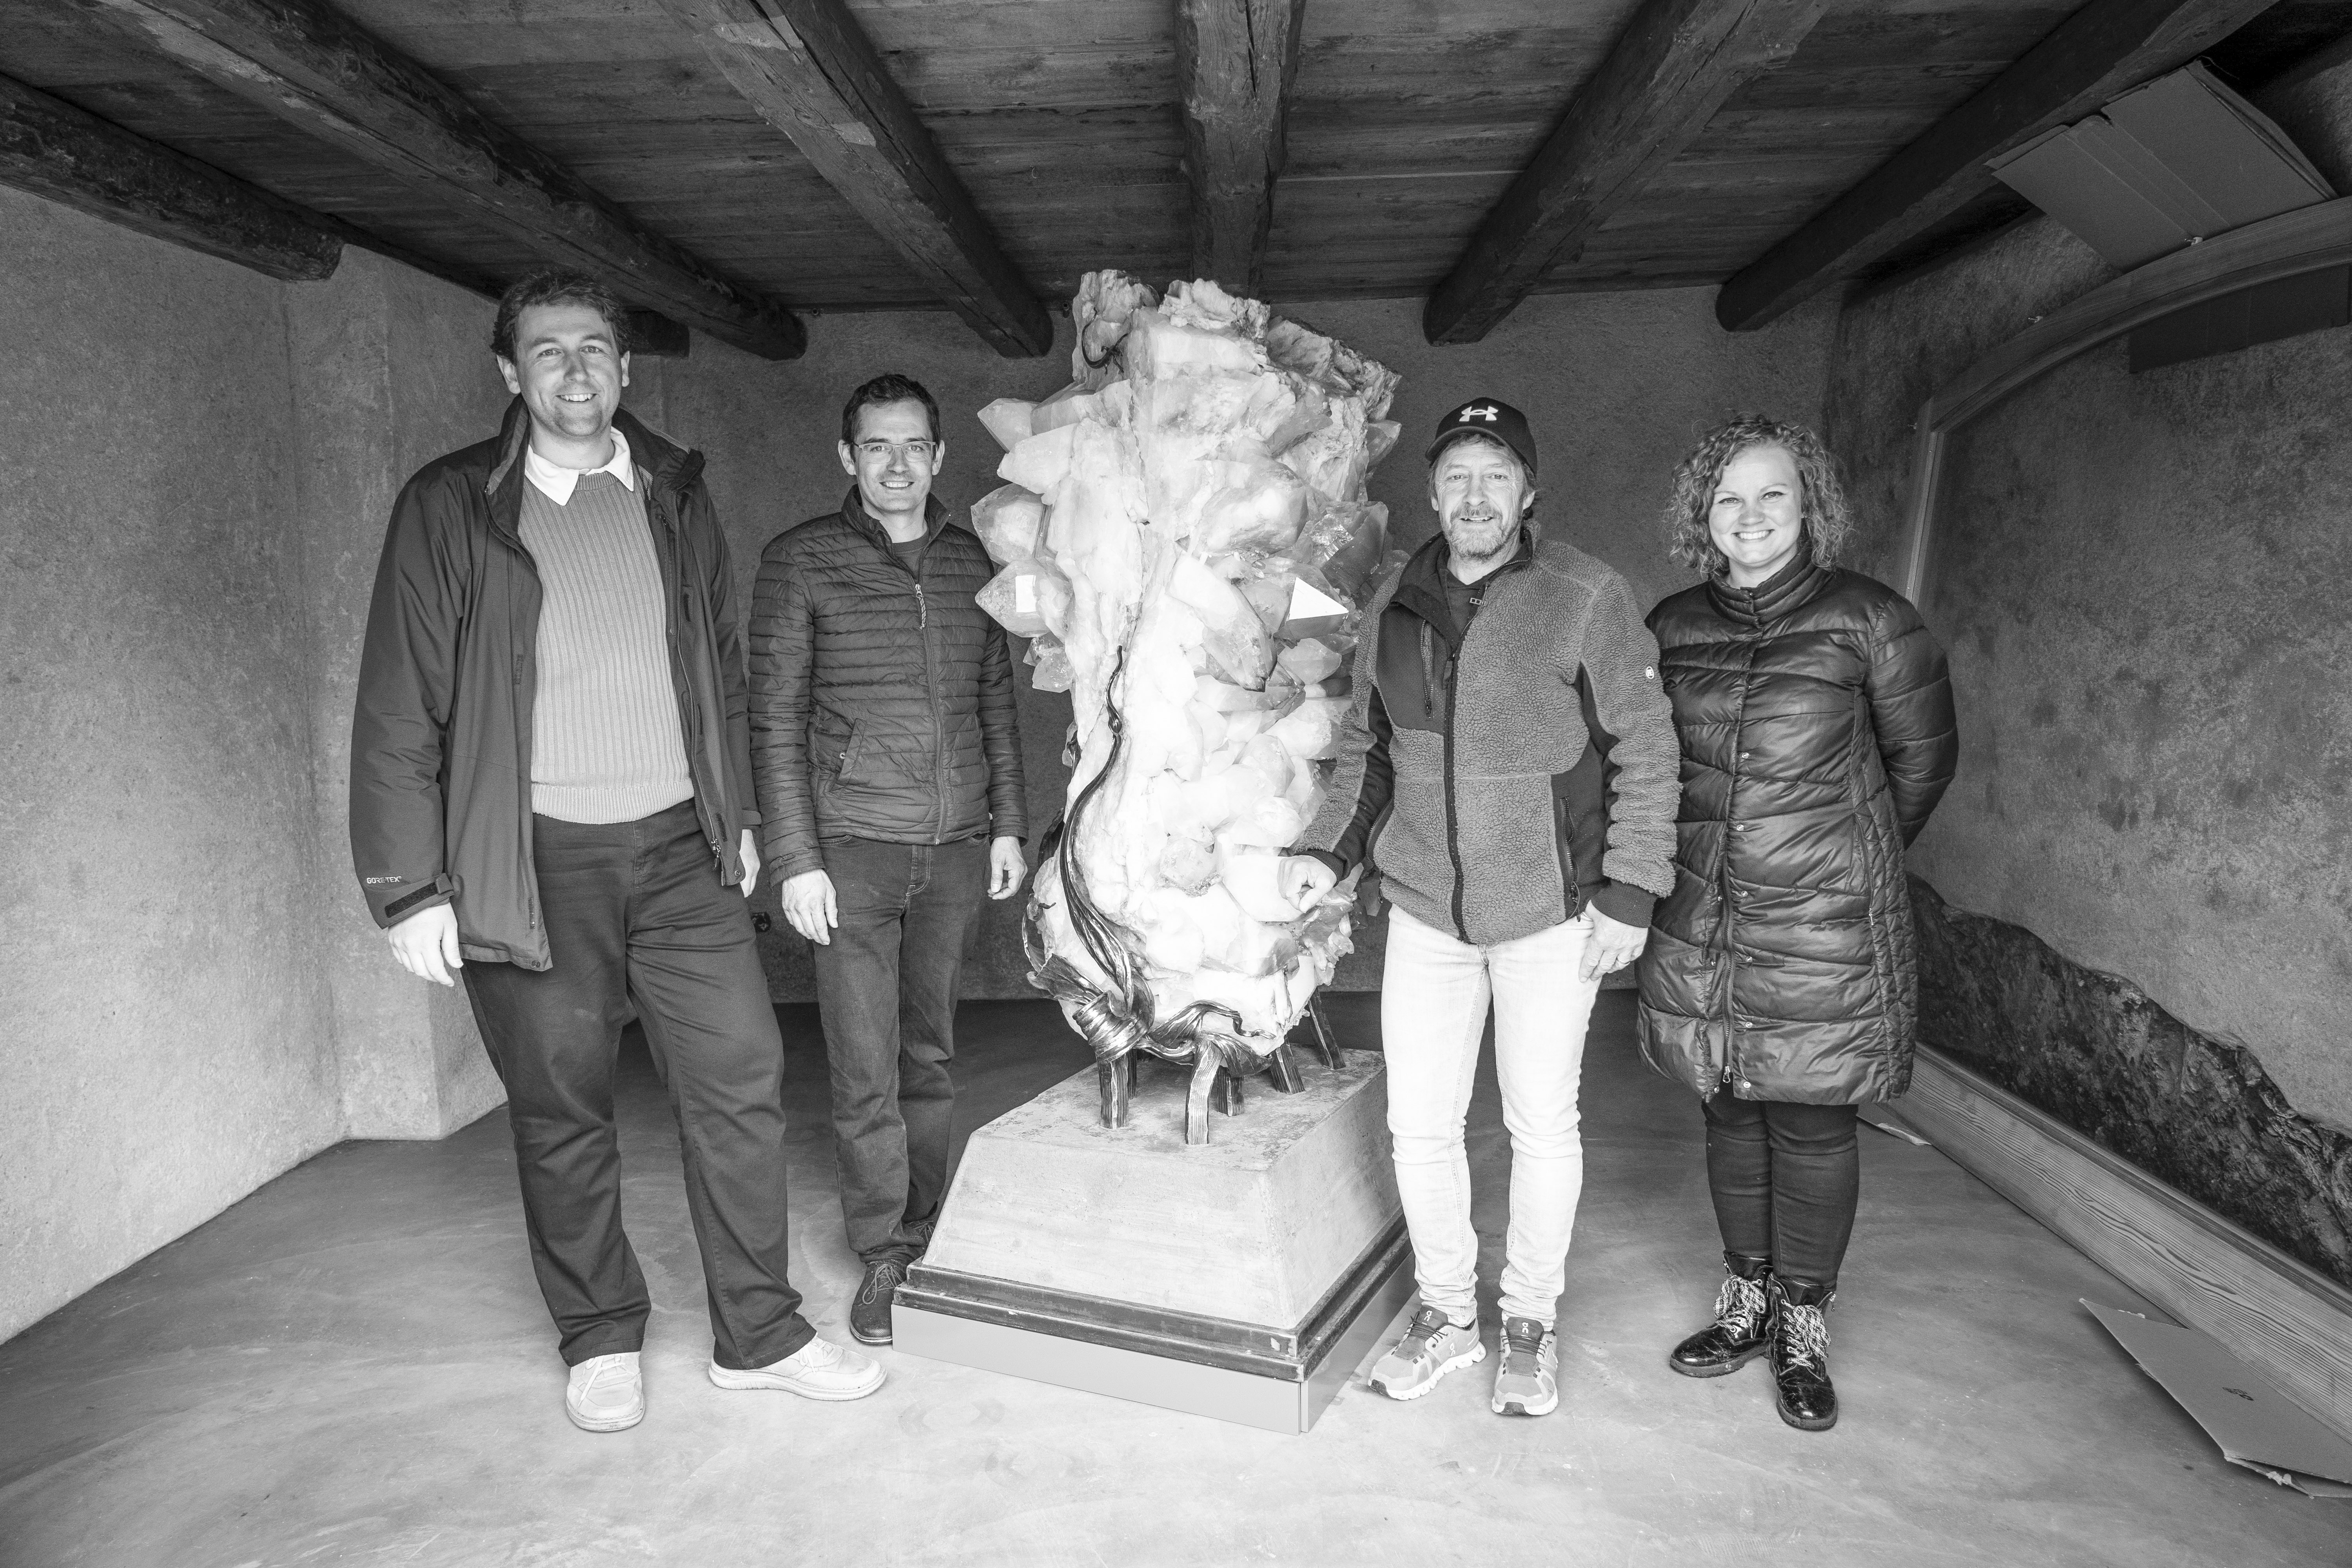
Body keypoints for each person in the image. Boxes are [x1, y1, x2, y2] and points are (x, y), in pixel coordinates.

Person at [350, 270, 880, 1435]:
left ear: (626, 367)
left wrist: (738, 813)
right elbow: (399, 703)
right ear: (511, 372)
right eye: (548, 351)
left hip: (683, 849)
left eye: (595, 348)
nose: (576, 371)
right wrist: (407, 887)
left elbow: (719, 665)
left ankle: (760, 1333)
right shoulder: (452, 504)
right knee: (562, 1104)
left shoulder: (674, 491)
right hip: (530, 861)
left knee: (740, 1078)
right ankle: (598, 1333)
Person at [1281, 397, 1680, 1418]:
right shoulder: (1394, 603)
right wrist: (1324, 854)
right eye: (1457, 475)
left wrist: (1630, 892)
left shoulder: (1585, 595)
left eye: (1495, 475)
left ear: (1528, 492)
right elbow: (1368, 752)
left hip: (1551, 910)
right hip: (1428, 910)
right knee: (1420, 1127)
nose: (1475, 495)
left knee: (1541, 1123)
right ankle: (1449, 1315)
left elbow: (1646, 744)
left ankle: (1531, 1323)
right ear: (1431, 492)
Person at [1638, 415, 1957, 1433]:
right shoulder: (1671, 627)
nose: (1751, 515)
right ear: (1703, 515)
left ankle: (1803, 1324)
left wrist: (1840, 859)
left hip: (1824, 921)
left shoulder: (1872, 620)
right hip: (1704, 912)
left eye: (1772, 493)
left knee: (1813, 1118)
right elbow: (1646, 767)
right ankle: (1746, 1299)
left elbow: (1922, 764)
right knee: (1730, 1106)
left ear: (1809, 505)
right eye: (1728, 497)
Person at [749, 374, 1027, 1348]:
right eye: (877, 446)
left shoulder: (973, 560)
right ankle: (884, 1251)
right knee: (864, 1067)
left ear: (939, 455)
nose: (897, 464)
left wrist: (1007, 823)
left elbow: (996, 700)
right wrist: (795, 856)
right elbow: (773, 716)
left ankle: (927, 1223)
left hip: (953, 849)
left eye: (914, 445)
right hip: (851, 851)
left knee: (931, 1055)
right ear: (848, 456)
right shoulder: (802, 561)